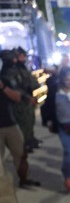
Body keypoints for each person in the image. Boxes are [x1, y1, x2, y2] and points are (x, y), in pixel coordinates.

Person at [41, 67, 70, 192]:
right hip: (63, 128)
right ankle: (68, 177)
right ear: (62, 80)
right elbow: (48, 108)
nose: (69, 82)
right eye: (67, 80)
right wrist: (48, 122)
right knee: (69, 152)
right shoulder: (56, 93)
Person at [0, 57, 39, 188]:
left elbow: (17, 97)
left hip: (9, 123)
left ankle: (25, 178)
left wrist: (3, 87)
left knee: (21, 153)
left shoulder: (4, 80)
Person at [8, 48, 39, 154]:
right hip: (21, 101)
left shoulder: (23, 68)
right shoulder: (12, 70)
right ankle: (25, 144)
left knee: (30, 121)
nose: (23, 58)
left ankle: (30, 140)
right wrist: (27, 97)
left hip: (28, 98)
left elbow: (31, 81)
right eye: (21, 56)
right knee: (23, 124)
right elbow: (16, 87)